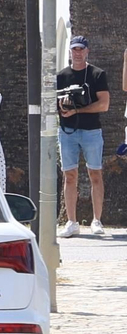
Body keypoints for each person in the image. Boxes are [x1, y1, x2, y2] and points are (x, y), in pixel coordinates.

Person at [58, 35, 110, 236]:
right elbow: (52, 103)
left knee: (95, 174)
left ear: (87, 51)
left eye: (81, 49)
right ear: (70, 51)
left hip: (91, 131)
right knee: (69, 176)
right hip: (67, 131)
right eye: (74, 49)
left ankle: (97, 220)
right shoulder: (61, 76)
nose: (78, 53)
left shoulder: (97, 74)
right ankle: (72, 222)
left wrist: (78, 110)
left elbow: (104, 104)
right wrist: (63, 106)